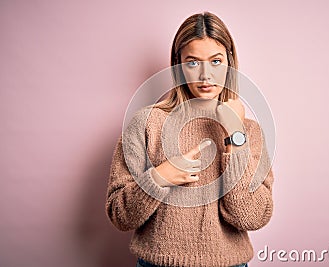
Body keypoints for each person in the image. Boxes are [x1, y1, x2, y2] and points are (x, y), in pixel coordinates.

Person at [106, 12, 274, 267]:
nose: (206, 75)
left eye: (216, 61)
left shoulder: (249, 131)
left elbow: (252, 216)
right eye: (193, 62)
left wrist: (234, 134)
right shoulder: (145, 124)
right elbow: (120, 215)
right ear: (178, 64)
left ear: (229, 62)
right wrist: (158, 178)